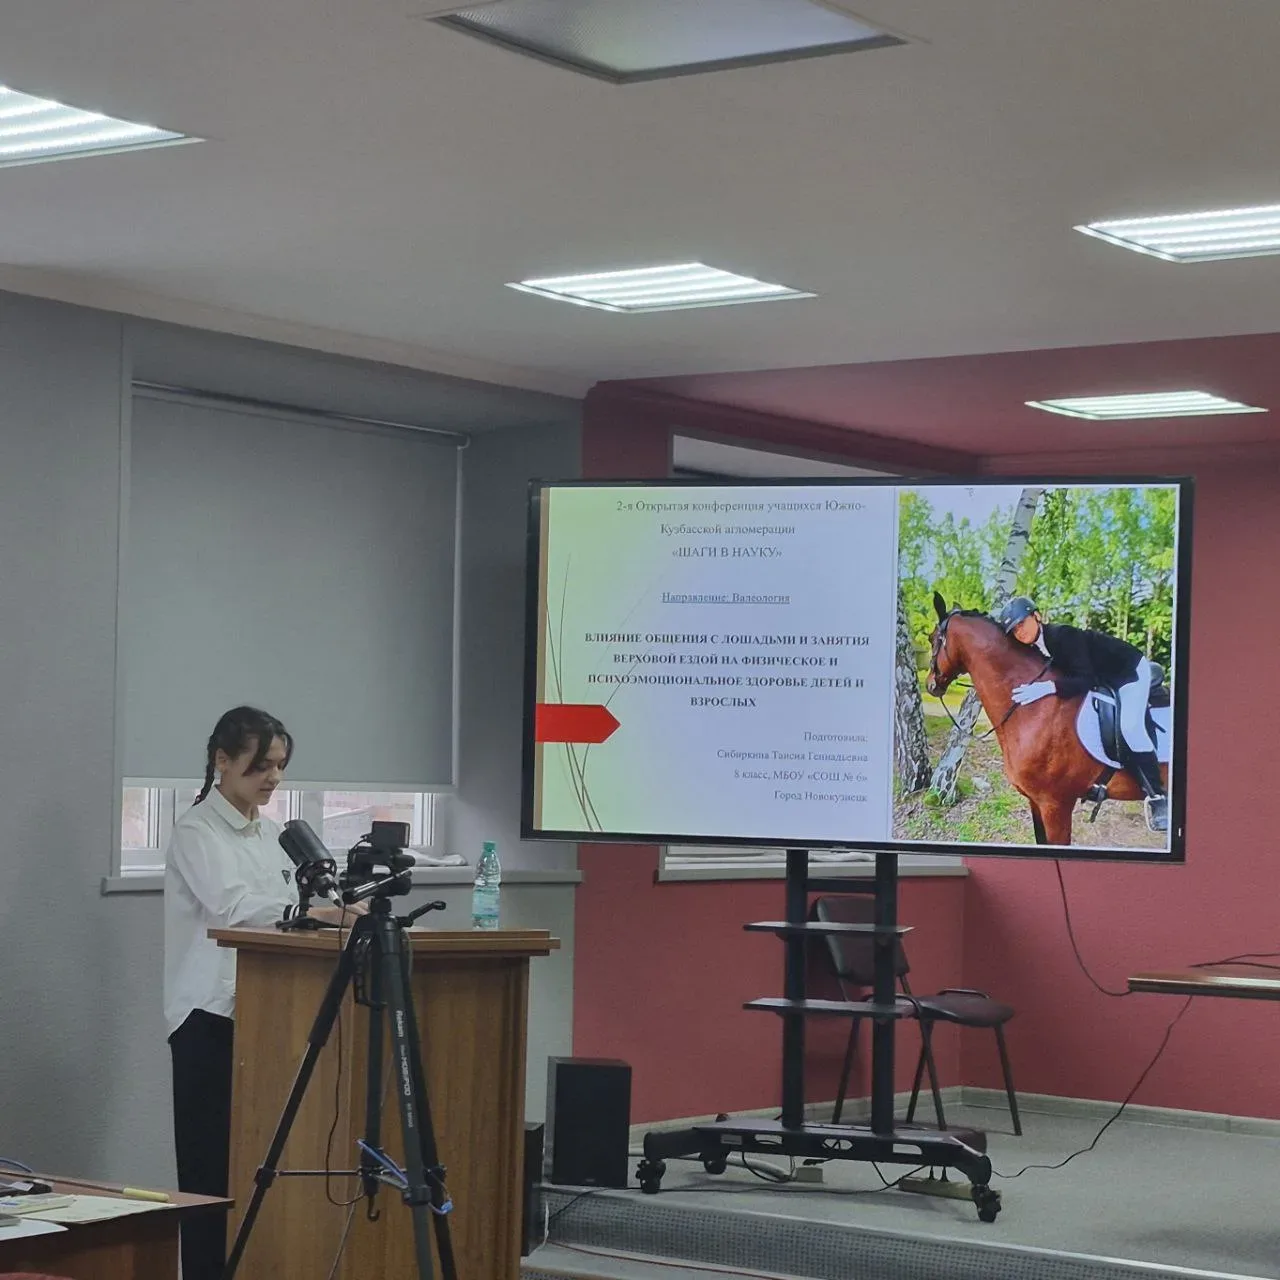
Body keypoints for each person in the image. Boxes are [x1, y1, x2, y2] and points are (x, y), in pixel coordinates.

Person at [163, 706, 364, 1280]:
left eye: (279, 765)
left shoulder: (276, 836)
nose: (273, 777)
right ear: (222, 761)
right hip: (208, 1018)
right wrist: (313, 914)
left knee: (263, 1167)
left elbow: (298, 906)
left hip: (270, 1016)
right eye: (260, 766)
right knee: (209, 1177)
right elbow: (231, 907)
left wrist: (338, 908)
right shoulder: (195, 830)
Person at [995, 597, 1168, 833]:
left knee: (1130, 727)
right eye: (1014, 630)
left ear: (1037, 616)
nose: (1020, 631)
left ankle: (1157, 796)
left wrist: (1048, 688)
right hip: (1104, 677)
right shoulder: (1034, 648)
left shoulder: (1063, 636)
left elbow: (1085, 679)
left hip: (1128, 672)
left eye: (1022, 623)